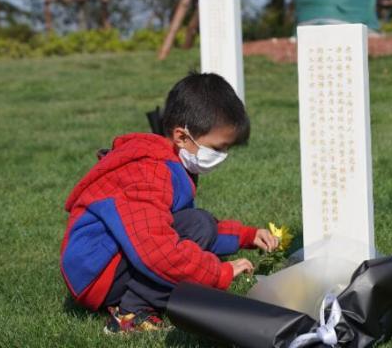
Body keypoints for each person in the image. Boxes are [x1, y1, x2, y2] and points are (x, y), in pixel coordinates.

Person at [60, 72, 279, 334]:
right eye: (218, 148)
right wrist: (219, 273)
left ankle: (137, 301)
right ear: (182, 137)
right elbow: (157, 251)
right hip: (96, 277)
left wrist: (247, 236)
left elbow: (180, 226)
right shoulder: (149, 172)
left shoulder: (170, 163)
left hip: (107, 264)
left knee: (201, 224)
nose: (223, 156)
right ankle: (130, 314)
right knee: (198, 226)